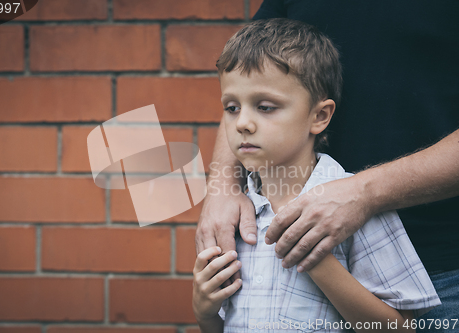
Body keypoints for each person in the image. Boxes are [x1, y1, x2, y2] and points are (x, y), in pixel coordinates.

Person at [195, 2, 459, 331]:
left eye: (264, 107)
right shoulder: (240, 216)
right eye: (231, 108)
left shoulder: (368, 216)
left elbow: (399, 328)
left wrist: (316, 261)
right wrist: (206, 314)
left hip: (442, 265)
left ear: (320, 115)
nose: (242, 123)